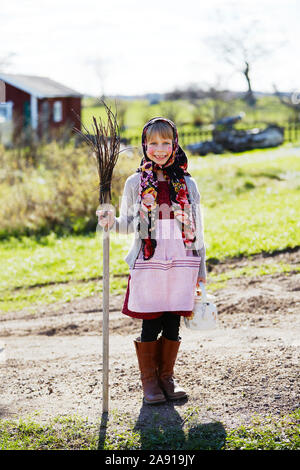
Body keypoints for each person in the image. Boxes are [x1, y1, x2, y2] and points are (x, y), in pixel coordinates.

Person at [97, 117, 206, 405]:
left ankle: (167, 378)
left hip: (183, 260)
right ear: (145, 145)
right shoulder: (135, 183)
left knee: (173, 322)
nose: (160, 149)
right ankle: (150, 384)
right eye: (154, 143)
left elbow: (198, 228)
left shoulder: (187, 182)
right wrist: (110, 221)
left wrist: (201, 270)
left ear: (175, 145)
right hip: (149, 258)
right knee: (151, 321)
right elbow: (127, 224)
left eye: (166, 143)